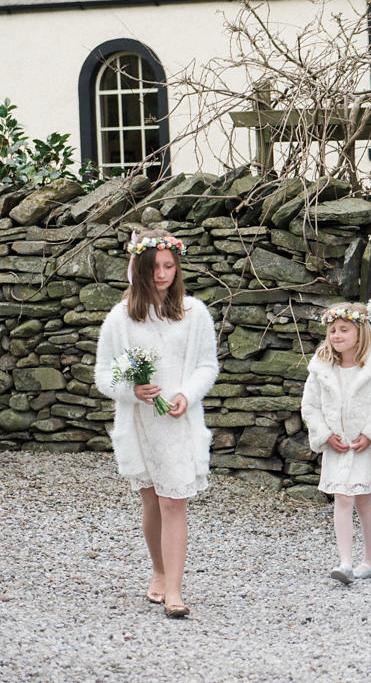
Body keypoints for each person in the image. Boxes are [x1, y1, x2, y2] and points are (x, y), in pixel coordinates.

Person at [94, 229, 219, 619]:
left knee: (173, 502)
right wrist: (134, 390)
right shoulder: (121, 318)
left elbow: (206, 365)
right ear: (139, 269)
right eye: (154, 267)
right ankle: (160, 570)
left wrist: (187, 394)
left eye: (168, 266)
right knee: (151, 500)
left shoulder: (195, 313)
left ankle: (176, 592)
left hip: (179, 422)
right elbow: (103, 374)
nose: (162, 274)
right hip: (139, 423)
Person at [301, 303, 371, 584]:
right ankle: (345, 562)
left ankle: (370, 560)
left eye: (344, 330)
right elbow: (310, 406)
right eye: (332, 330)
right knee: (342, 499)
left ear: (359, 332)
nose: (336, 335)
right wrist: (324, 434)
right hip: (338, 447)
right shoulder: (322, 366)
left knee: (364, 502)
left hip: (363, 447)